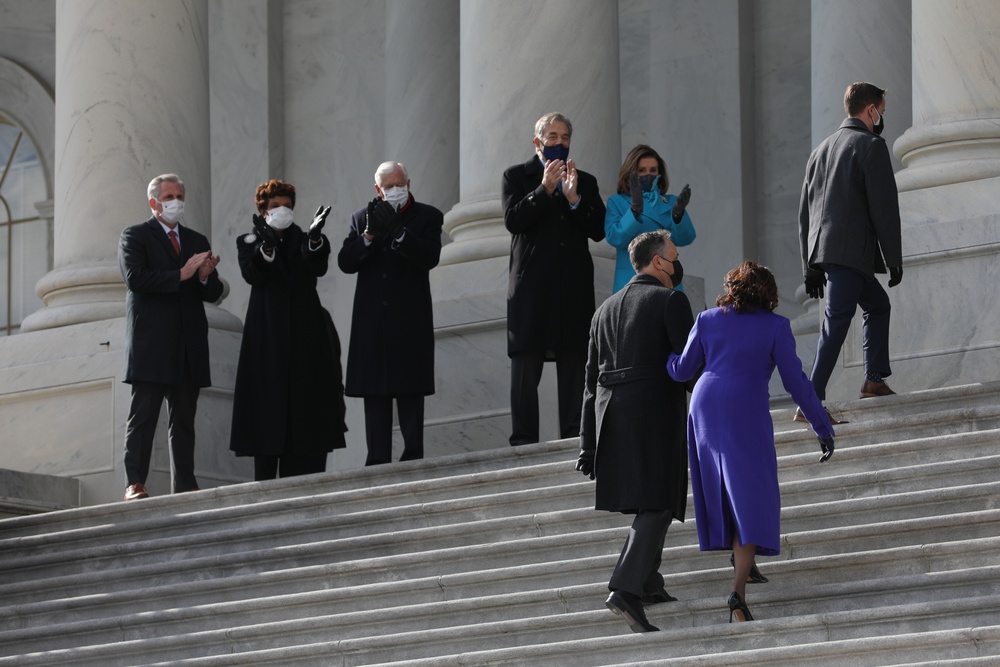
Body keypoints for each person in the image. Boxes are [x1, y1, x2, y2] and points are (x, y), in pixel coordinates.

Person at [667, 260, 835, 623]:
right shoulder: (776, 327)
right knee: (752, 493)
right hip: (744, 407)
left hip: (705, 405)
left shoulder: (707, 319)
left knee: (728, 488)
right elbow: (796, 384)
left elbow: (682, 369)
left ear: (732, 287)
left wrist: (661, 357)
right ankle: (737, 595)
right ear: (769, 294)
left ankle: (746, 562)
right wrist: (822, 426)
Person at [577, 230, 693, 633]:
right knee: (659, 499)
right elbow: (690, 363)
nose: (678, 265)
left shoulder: (603, 310)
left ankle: (648, 581)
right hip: (654, 412)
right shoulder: (671, 299)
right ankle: (626, 588)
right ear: (659, 262)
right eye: (675, 257)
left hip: (613, 416)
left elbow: (590, 384)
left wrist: (587, 445)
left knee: (652, 498)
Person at [229, 179, 347, 480]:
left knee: (307, 418)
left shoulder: (307, 239)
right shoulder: (249, 242)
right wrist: (266, 247)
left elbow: (316, 265)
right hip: (267, 339)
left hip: (306, 339)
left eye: (287, 206)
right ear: (263, 210)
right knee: (267, 416)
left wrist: (316, 240)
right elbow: (253, 273)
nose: (282, 211)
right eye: (275, 206)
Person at [798, 81, 903, 416]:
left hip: (829, 253)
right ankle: (809, 400)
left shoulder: (819, 150)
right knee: (836, 324)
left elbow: (805, 214)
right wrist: (894, 258)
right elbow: (883, 209)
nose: (881, 118)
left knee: (877, 305)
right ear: (870, 109)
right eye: (881, 112)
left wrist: (809, 265)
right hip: (851, 254)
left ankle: (873, 380)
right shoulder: (870, 145)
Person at [502, 112, 606, 447]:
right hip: (531, 288)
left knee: (575, 361)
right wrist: (544, 189)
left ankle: (575, 437)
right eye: (552, 136)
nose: (559, 143)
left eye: (564, 137)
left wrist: (574, 199)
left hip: (572, 287)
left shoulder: (584, 181)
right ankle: (523, 441)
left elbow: (599, 229)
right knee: (525, 366)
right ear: (537, 142)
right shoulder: (517, 176)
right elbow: (513, 220)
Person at [118, 173, 223, 501]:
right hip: (152, 343)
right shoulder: (135, 236)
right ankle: (135, 482)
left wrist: (205, 277)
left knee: (184, 421)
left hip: (188, 344)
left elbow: (215, 291)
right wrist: (181, 274)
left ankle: (186, 485)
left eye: (179, 195)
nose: (176, 202)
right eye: (169, 197)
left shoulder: (195, 240)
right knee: (144, 417)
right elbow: (135, 278)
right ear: (154, 203)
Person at [338, 161, 442, 465]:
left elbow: (430, 256)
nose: (396, 190)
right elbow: (346, 262)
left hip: (410, 322)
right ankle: (377, 463)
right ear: (377, 189)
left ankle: (413, 460)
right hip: (373, 326)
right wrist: (368, 235)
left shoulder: (428, 216)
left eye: (401, 184)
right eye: (389, 186)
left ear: (409, 183)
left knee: (410, 393)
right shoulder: (360, 218)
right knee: (376, 396)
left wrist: (400, 234)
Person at [605, 144, 694, 293]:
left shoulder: (671, 202)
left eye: (653, 170)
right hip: (631, 281)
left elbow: (687, 238)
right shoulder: (617, 202)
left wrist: (678, 216)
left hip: (667, 281)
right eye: (642, 170)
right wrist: (634, 210)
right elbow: (614, 238)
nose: (648, 175)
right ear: (631, 173)